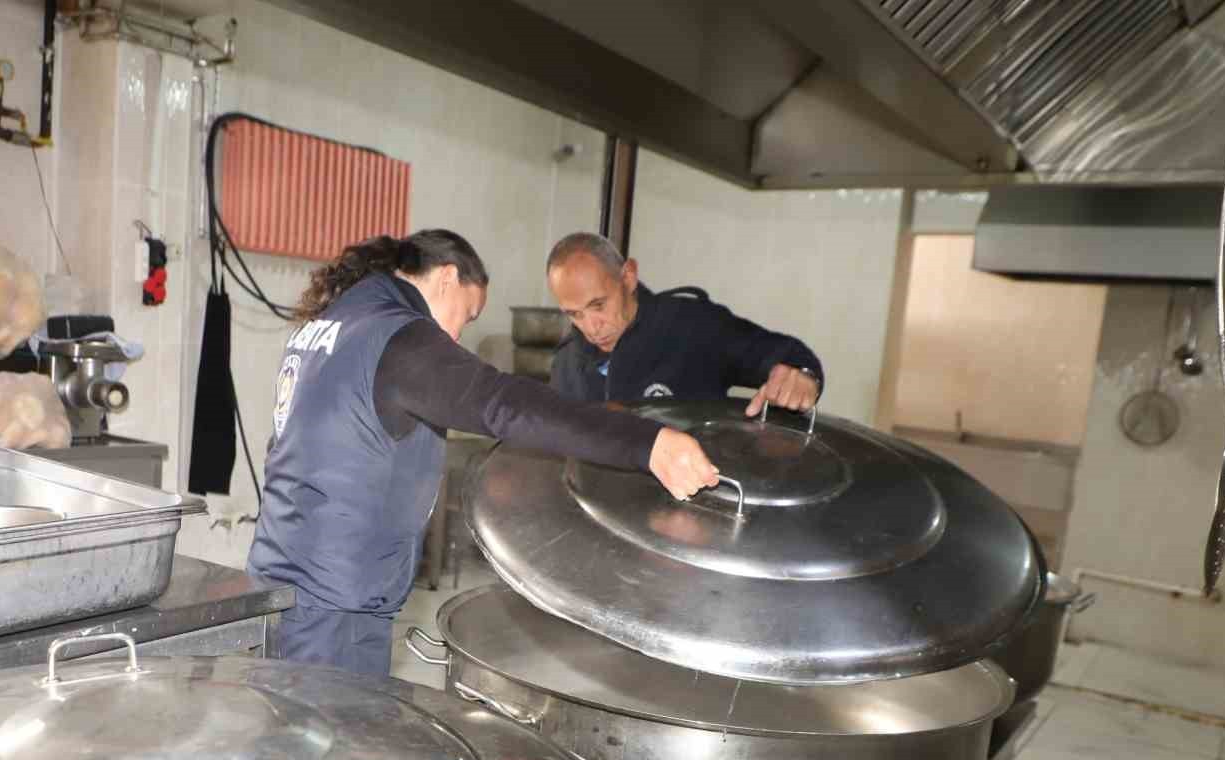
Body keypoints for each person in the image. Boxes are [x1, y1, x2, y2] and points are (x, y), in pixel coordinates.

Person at [247, 229, 720, 677]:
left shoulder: (331, 325)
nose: (454, 338)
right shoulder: (399, 337)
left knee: (290, 739)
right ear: (448, 276)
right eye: (468, 315)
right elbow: (504, 404)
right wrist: (646, 443)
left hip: (282, 579)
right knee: (332, 748)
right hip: (335, 602)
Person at [546, 232, 824, 414]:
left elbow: (780, 354)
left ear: (628, 277)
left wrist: (801, 375)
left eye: (598, 305)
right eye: (575, 314)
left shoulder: (692, 326)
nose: (592, 327)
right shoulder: (567, 362)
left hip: (691, 500)